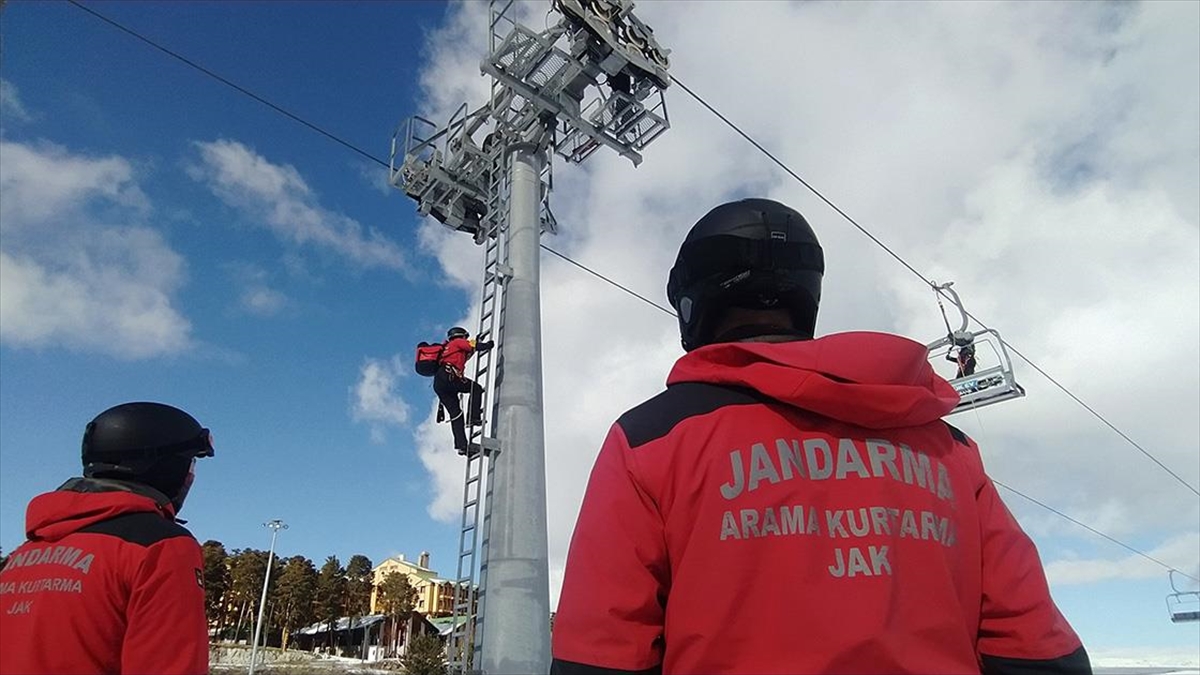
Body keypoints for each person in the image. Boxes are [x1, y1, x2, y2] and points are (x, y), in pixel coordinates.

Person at [551, 198, 1090, 675]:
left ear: (694, 302)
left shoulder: (651, 439)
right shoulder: (950, 450)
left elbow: (602, 649)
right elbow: (1032, 643)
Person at [0, 402, 215, 675]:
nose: (190, 477)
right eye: (190, 464)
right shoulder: (160, 546)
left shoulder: (23, 555)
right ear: (166, 467)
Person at [434, 326, 494, 456]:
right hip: (450, 376)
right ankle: (473, 417)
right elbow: (472, 345)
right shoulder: (458, 342)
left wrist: (476, 343)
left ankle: (462, 446)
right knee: (476, 389)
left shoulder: (448, 348)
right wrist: (487, 345)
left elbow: (468, 352)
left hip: (440, 383)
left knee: (456, 415)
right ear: (462, 336)